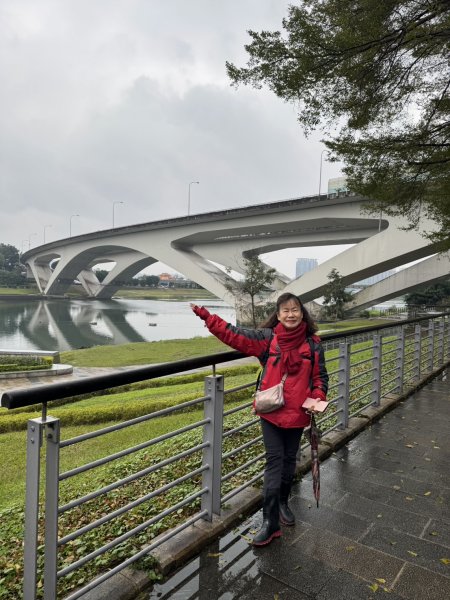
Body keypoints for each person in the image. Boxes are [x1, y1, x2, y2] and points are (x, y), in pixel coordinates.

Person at [191, 292, 328, 546]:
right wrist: (207, 317)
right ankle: (269, 521)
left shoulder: (313, 344)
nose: (290, 314)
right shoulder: (268, 340)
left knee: (289, 461)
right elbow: (233, 334)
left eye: (295, 309)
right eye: (285, 310)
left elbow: (321, 378)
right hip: (272, 413)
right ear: (277, 315)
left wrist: (317, 396)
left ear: (302, 313)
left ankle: (283, 502)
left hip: (298, 415)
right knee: (275, 462)